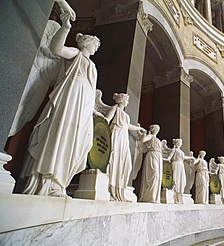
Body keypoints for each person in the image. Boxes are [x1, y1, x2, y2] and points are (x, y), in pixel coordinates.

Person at [22, 12, 101, 196]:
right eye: (94, 44)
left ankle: (59, 182)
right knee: (62, 134)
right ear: (85, 43)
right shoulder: (76, 54)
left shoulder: (92, 65)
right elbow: (56, 49)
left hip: (84, 105)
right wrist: (65, 28)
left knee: (77, 140)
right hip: (71, 98)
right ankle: (50, 181)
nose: (96, 48)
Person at [104, 93, 146, 202]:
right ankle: (110, 189)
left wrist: (139, 128)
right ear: (121, 100)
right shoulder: (115, 109)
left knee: (126, 164)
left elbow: (128, 126)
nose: (127, 102)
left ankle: (119, 190)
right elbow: (107, 119)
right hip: (116, 135)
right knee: (115, 160)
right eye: (126, 100)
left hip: (123, 139)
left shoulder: (126, 115)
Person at [137, 124, 163, 203]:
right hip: (152, 155)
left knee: (158, 176)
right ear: (152, 129)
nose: (156, 130)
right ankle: (148, 196)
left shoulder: (158, 140)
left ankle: (154, 197)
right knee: (154, 174)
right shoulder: (150, 136)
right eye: (155, 128)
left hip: (158, 156)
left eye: (157, 129)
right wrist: (143, 133)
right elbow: (142, 140)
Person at [166, 139, 193, 204]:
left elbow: (184, 157)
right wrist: (167, 160)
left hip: (181, 165)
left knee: (182, 180)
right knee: (175, 179)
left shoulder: (180, 151)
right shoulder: (174, 150)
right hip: (175, 164)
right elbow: (170, 156)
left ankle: (179, 195)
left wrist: (191, 158)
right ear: (177, 143)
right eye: (180, 142)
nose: (181, 143)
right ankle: (175, 197)